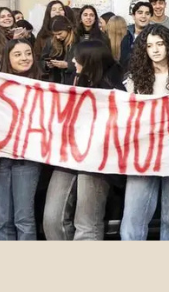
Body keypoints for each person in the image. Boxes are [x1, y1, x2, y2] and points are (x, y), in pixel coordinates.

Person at [120, 25, 169, 240]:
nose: (154, 50)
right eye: (149, 45)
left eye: (159, 44)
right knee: (132, 217)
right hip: (143, 154)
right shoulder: (134, 80)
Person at [43, 40, 125, 241]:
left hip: (96, 162)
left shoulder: (115, 90)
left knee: (86, 223)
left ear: (89, 61)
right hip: (68, 156)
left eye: (76, 57)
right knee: (52, 219)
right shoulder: (73, 81)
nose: (72, 61)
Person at [0, 40, 43, 240]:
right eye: (18, 54)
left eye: (28, 53)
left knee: (24, 219)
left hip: (27, 159)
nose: (24, 58)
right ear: (7, 58)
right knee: (2, 220)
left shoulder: (45, 84)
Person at [39, 16, 77, 84]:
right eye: (55, 34)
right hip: (55, 81)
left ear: (67, 29)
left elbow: (85, 64)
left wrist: (68, 65)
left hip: (72, 82)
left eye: (60, 33)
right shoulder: (50, 42)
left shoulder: (78, 42)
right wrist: (47, 65)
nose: (57, 37)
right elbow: (41, 60)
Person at [121, 1, 152, 70]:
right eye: (140, 13)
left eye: (147, 13)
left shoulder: (154, 35)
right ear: (133, 15)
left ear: (150, 17)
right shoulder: (126, 35)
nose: (143, 16)